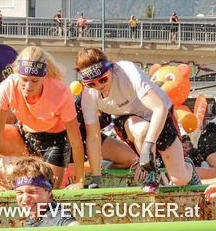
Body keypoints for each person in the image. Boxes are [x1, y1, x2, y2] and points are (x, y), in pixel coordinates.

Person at [0, 46, 85, 191]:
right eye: (24, 80)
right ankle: (6, 187)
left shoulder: (61, 92)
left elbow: (75, 140)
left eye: (34, 81)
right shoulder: (8, 86)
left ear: (44, 77)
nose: (28, 86)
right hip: (23, 136)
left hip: (54, 142)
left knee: (45, 193)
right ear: (17, 74)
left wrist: (80, 181)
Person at [75, 47, 197, 189]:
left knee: (179, 178)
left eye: (103, 80)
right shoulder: (89, 95)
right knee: (142, 130)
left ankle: (189, 166)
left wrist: (147, 148)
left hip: (158, 112)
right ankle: (151, 173)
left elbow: (159, 109)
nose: (99, 86)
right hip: (128, 119)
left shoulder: (127, 72)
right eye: (91, 84)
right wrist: (96, 178)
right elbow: (93, 138)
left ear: (110, 69)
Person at [10, 157, 80, 227]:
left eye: (32, 192)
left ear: (49, 192)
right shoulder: (36, 213)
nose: (25, 199)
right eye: (19, 193)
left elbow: (74, 226)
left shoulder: (56, 216)